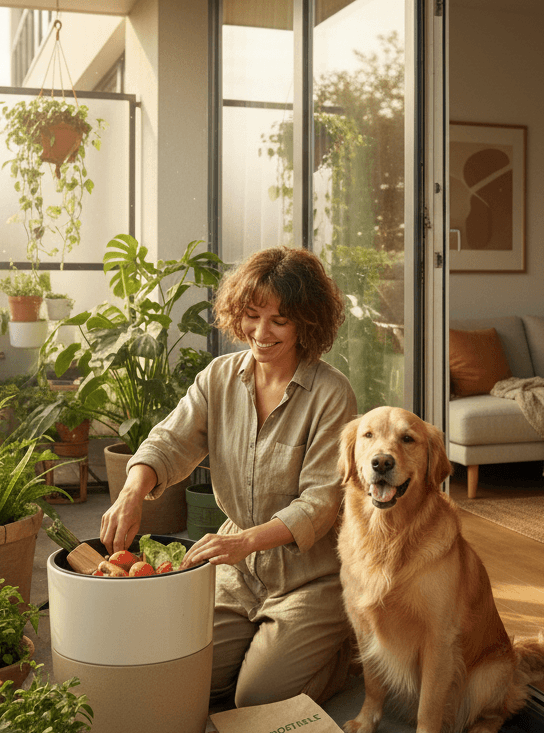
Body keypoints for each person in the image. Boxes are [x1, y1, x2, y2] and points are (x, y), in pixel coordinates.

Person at [100, 246, 359, 708]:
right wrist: (131, 492)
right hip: (237, 568)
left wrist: (245, 541)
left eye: (279, 320)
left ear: (307, 323)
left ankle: (340, 651)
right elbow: (169, 441)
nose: (261, 333)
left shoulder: (331, 394)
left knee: (255, 698)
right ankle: (266, 647)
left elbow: (320, 503)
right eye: (253, 316)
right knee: (186, 676)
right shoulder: (219, 378)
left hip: (310, 576)